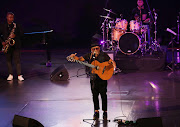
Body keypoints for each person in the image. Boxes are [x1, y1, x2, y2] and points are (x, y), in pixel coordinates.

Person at [68, 38, 116, 120]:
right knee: (95, 95)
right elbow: (80, 59)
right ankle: (96, 111)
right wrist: (74, 57)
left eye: (97, 49)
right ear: (91, 49)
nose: (95, 50)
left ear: (99, 48)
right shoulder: (89, 56)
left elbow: (112, 62)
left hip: (102, 79)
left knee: (103, 95)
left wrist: (112, 66)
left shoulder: (103, 55)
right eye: (94, 49)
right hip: (93, 79)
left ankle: (105, 111)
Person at [0, 12, 24, 81]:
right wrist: (2, 42)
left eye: (12, 17)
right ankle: (10, 74)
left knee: (17, 61)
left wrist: (15, 35)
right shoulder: (3, 25)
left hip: (16, 45)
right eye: (10, 17)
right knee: (8, 61)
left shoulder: (16, 26)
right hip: (7, 45)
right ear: (7, 18)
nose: (11, 19)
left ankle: (19, 75)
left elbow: (22, 34)